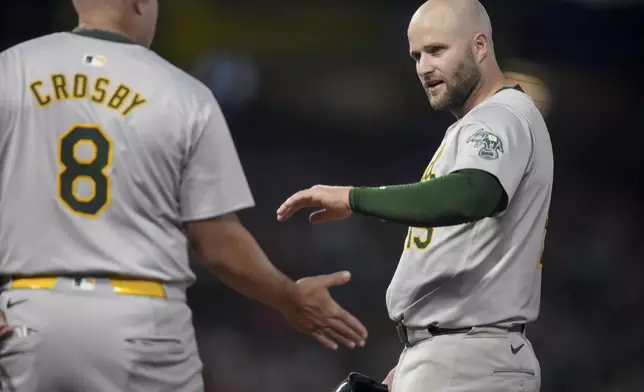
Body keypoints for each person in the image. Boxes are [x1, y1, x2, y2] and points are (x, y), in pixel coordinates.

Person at [0, 0, 368, 390]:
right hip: (141, 318)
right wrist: (287, 295)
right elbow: (216, 242)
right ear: (141, 3)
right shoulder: (181, 92)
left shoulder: (11, 71)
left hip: (29, 311)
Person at [278, 0, 553, 391]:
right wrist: (418, 359)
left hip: (471, 358)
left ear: (480, 46)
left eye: (437, 50)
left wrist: (354, 198)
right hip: (453, 354)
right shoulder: (478, 123)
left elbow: (474, 193)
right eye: (417, 55)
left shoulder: (502, 115)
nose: (424, 67)